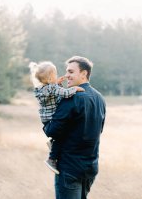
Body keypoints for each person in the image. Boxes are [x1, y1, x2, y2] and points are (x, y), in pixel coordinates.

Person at [43, 56, 106, 199]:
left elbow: (51, 131)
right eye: (66, 72)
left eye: (71, 72)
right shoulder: (100, 98)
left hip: (70, 168)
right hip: (90, 168)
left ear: (84, 73)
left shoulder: (71, 97)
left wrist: (45, 119)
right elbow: (98, 130)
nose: (66, 76)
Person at [29, 61, 85, 174]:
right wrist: (75, 89)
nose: (57, 76)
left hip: (46, 120)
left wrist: (57, 84)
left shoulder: (42, 89)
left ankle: (53, 143)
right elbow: (64, 93)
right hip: (52, 120)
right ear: (50, 79)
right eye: (55, 74)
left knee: (61, 136)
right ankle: (52, 159)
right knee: (63, 135)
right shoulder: (52, 88)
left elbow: (54, 94)